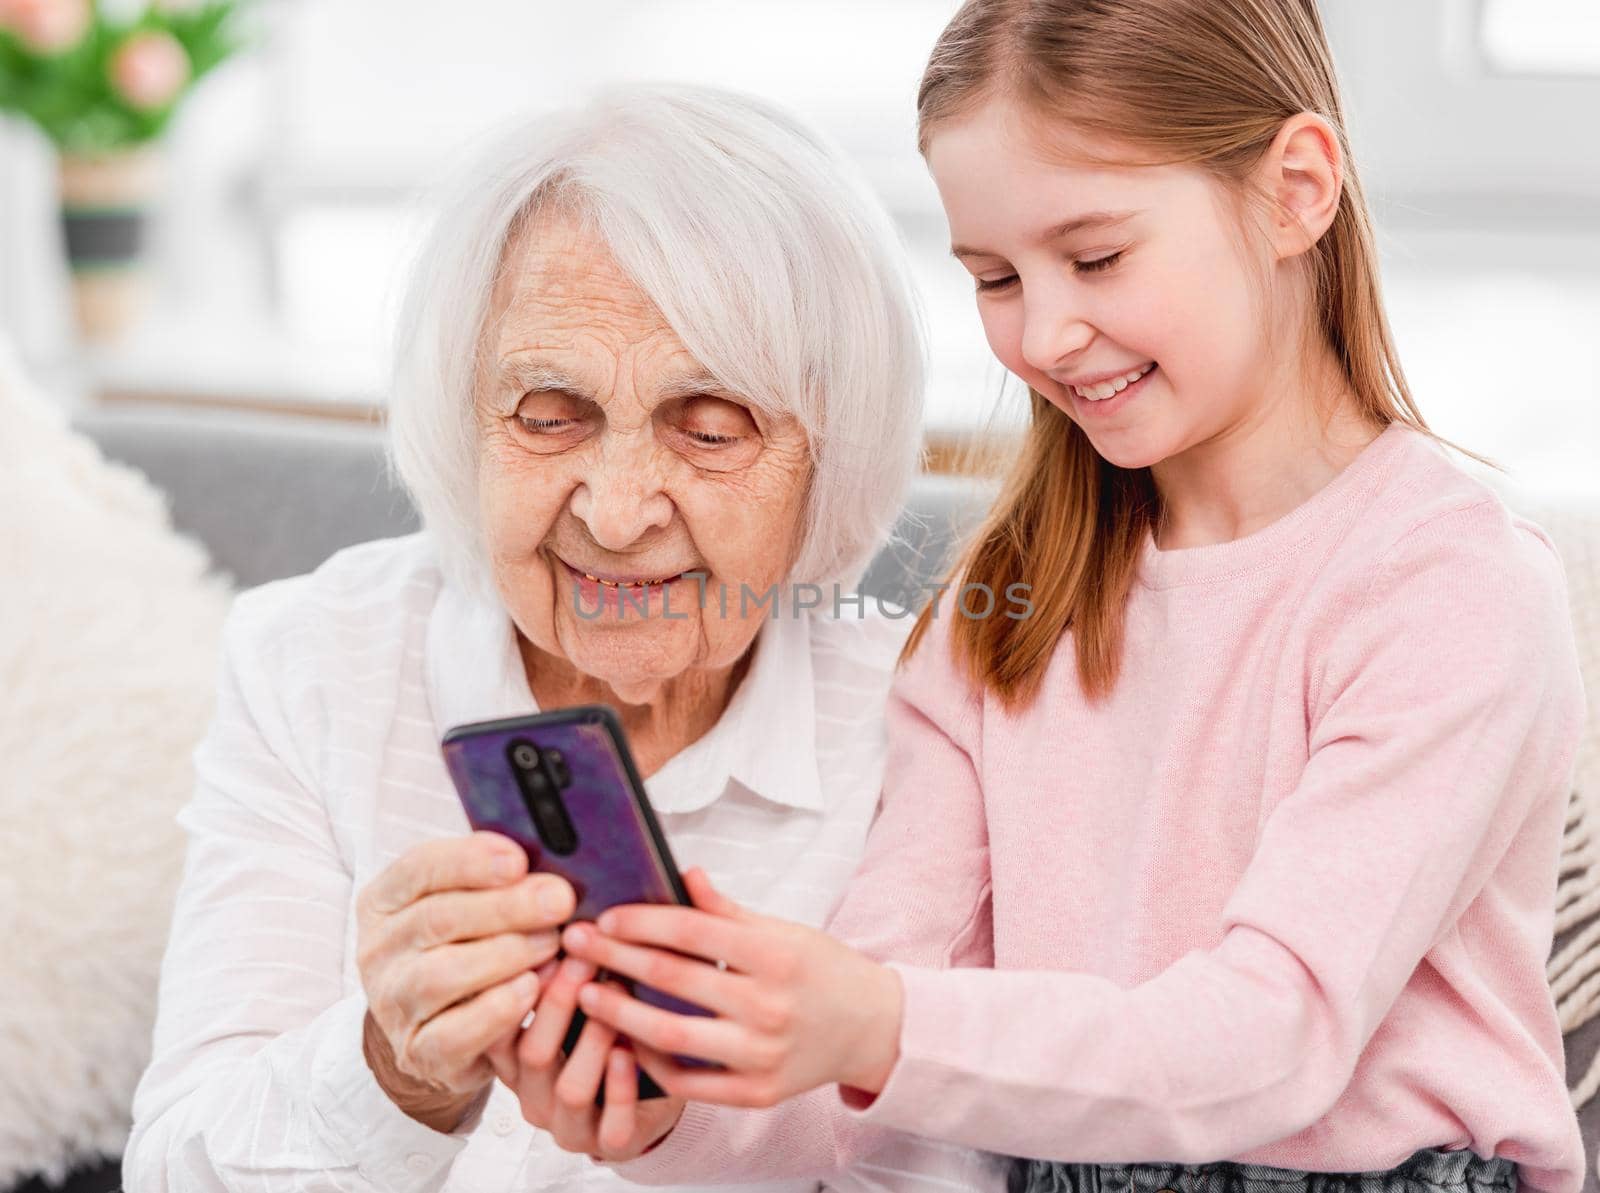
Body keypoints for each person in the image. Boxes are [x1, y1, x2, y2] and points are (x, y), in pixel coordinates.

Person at [524, 4, 1589, 1193]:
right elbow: (883, 1108)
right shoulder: (1007, 605)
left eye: (1095, 257)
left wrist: (876, 1022)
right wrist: (680, 1100)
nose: (1045, 331)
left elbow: (1273, 1036)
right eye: (993, 276)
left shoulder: (1445, 582)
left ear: (1296, 190)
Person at [124, 84, 1002, 1193]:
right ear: (465, 417)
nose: (619, 509)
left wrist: (694, 1118)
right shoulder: (312, 658)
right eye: (550, 413)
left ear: (830, 453)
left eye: (711, 426)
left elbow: (937, 1170)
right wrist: (391, 1073)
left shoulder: (926, 720)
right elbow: (173, 1169)